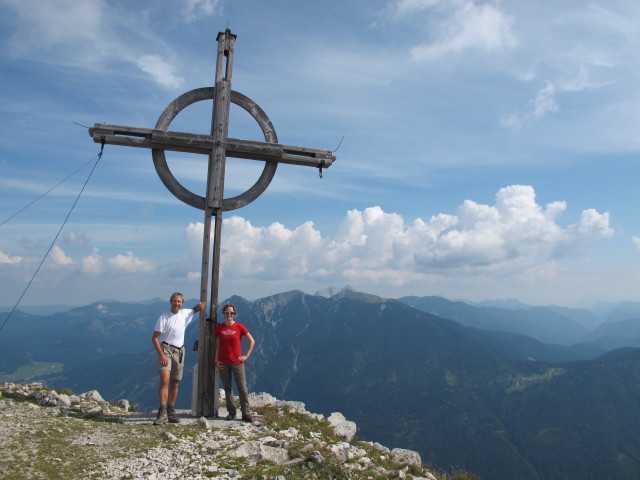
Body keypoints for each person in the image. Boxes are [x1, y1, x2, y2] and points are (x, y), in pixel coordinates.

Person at [151, 292, 205, 425]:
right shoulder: (163, 318)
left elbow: (194, 310)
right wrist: (161, 354)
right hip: (166, 349)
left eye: (179, 301)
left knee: (175, 382)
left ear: (182, 303)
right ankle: (162, 410)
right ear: (171, 302)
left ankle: (171, 409)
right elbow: (155, 338)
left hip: (180, 351)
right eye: (174, 301)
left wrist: (200, 306)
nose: (176, 303)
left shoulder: (185, 313)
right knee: (164, 379)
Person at [215, 303, 255, 422]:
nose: (229, 315)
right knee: (228, 388)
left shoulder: (239, 327)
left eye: (231, 313)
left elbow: (251, 341)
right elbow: (218, 345)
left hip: (237, 362)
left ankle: (246, 413)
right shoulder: (219, 328)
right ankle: (231, 412)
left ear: (234, 314)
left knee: (242, 388)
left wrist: (246, 355)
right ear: (223, 314)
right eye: (227, 313)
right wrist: (216, 359)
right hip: (223, 362)